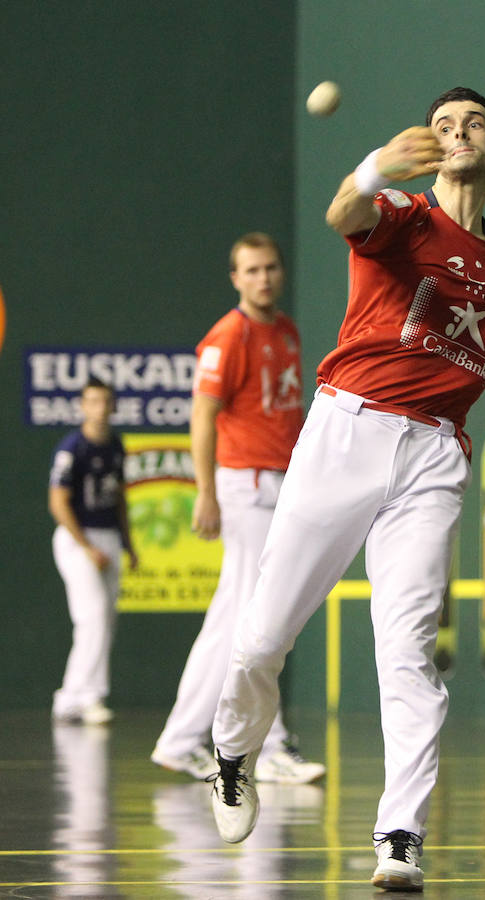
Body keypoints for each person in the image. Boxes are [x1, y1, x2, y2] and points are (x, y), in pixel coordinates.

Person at [208, 87, 485, 891]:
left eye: (473, 125)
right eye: (442, 125)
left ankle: (401, 834)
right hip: (347, 433)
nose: (456, 133)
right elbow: (341, 215)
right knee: (262, 638)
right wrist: (372, 167)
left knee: (407, 652)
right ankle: (231, 750)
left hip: (434, 457)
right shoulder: (401, 212)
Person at [150, 232, 325, 785]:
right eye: (251, 270)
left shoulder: (288, 333)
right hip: (243, 486)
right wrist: (205, 489)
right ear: (235, 278)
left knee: (236, 618)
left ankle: (184, 740)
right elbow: (202, 416)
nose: (264, 278)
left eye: (271, 267)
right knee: (256, 616)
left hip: (280, 486)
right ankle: (266, 746)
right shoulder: (227, 336)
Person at [49, 377, 138, 725]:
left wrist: (128, 544)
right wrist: (86, 547)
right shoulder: (72, 448)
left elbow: (119, 497)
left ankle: (71, 697)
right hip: (77, 539)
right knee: (93, 617)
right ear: (83, 406)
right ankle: (85, 696)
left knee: (104, 622)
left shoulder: (116, 446)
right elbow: (58, 502)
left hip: (109, 539)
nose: (100, 408)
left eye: (105, 401)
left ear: (113, 405)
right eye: (93, 401)